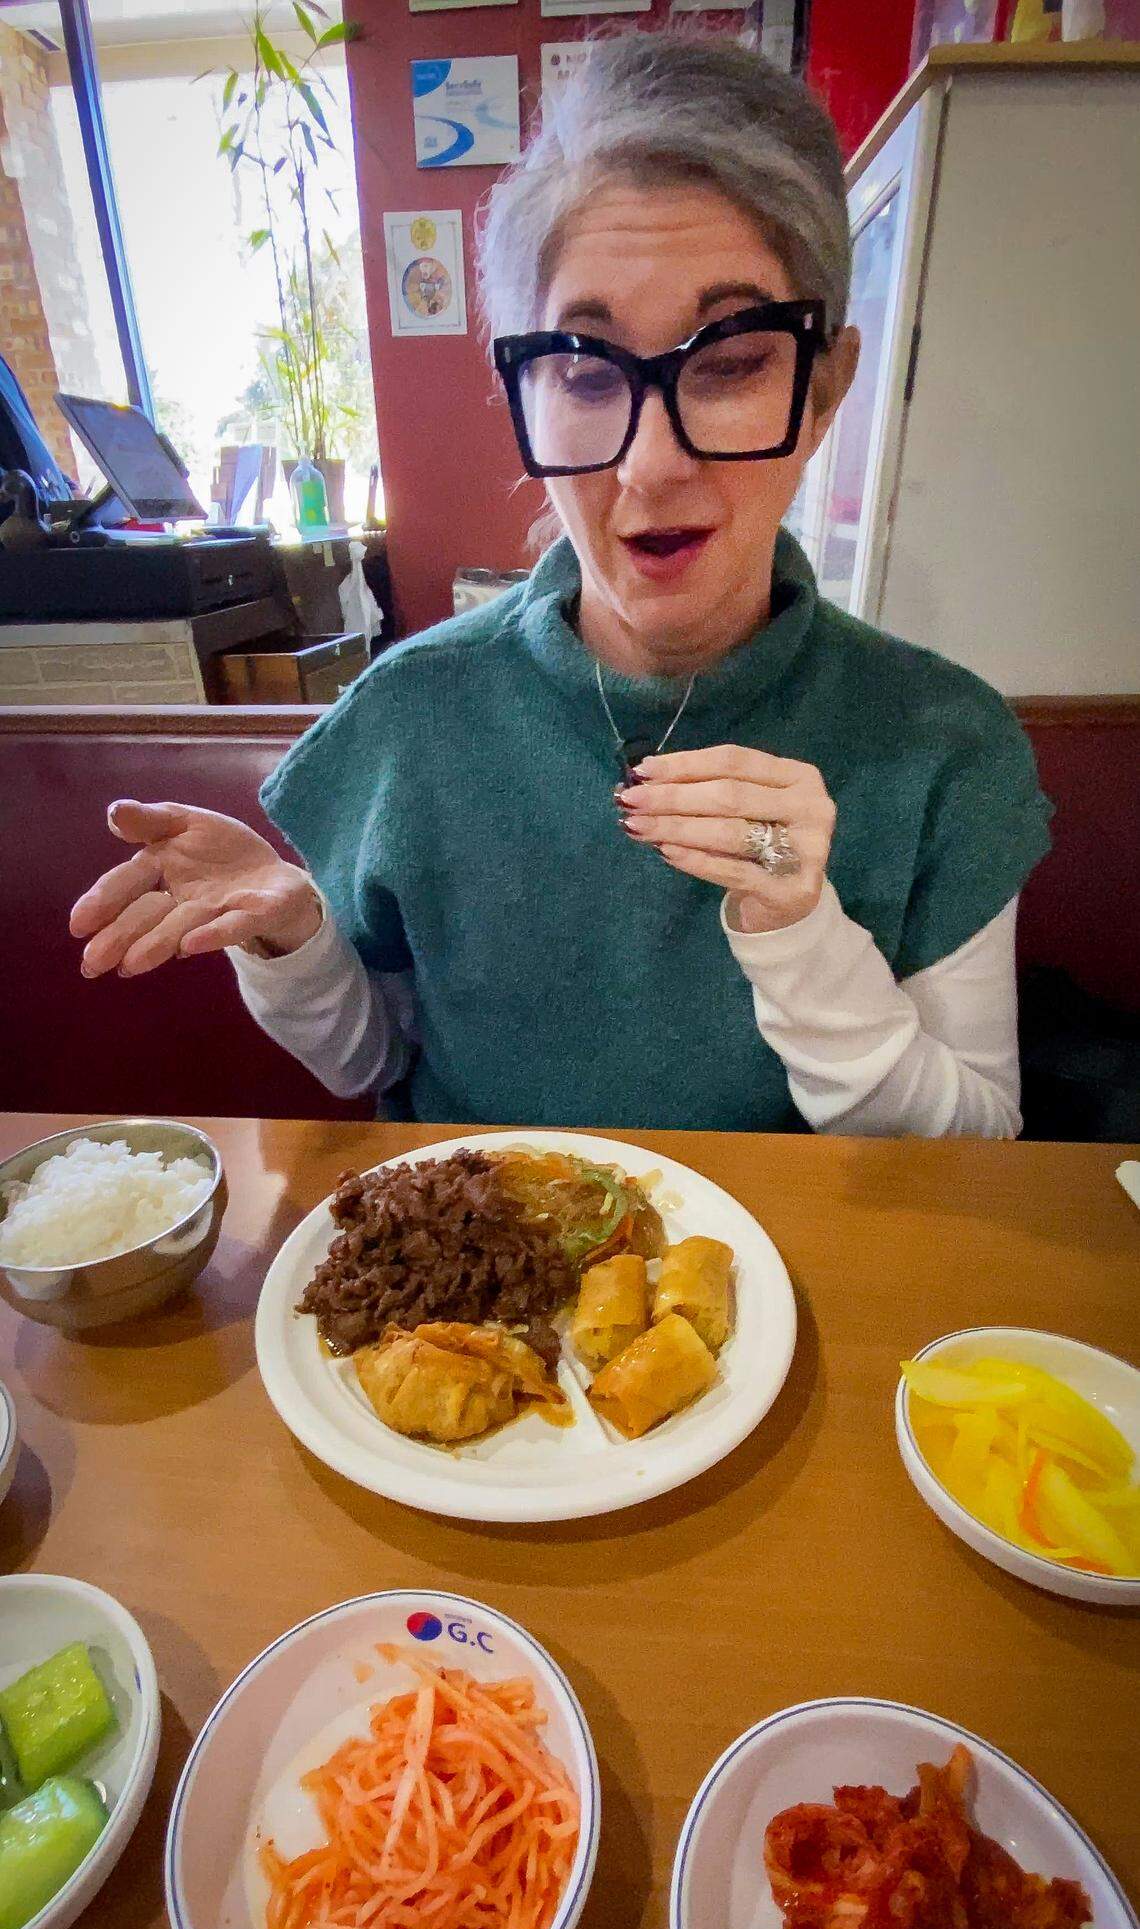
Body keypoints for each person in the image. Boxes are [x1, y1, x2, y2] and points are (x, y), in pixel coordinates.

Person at [70, 34, 1051, 1137]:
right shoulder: (416, 712)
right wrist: (293, 937)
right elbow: (373, 1057)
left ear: (824, 391)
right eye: (586, 373)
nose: (652, 466)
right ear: (521, 399)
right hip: (483, 1243)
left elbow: (978, 1146)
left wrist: (801, 932)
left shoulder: (942, 742)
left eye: (731, 364)